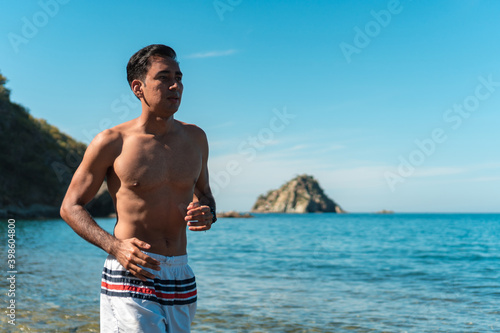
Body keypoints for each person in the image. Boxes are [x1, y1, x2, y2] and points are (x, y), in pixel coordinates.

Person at [60, 44, 216, 333]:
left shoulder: (196, 138)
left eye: (179, 77)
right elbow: (70, 207)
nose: (176, 85)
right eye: (164, 77)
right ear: (138, 87)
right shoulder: (111, 142)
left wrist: (208, 213)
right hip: (132, 271)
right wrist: (115, 247)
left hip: (180, 275)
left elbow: (205, 195)